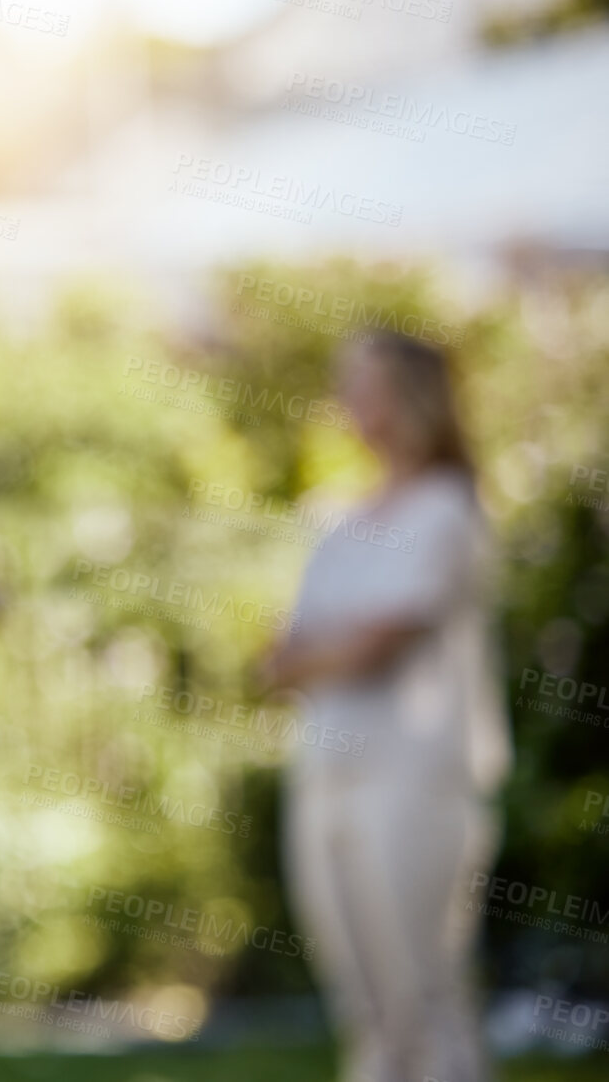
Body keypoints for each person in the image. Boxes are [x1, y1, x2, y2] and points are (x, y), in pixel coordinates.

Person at [262, 331, 511, 1082]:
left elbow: (376, 642)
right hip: (328, 774)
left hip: (416, 781)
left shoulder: (448, 509)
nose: (352, 406)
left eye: (367, 388)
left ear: (413, 399)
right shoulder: (338, 515)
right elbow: (285, 655)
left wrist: (317, 654)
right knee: (364, 1011)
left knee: (423, 997)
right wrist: (321, 652)